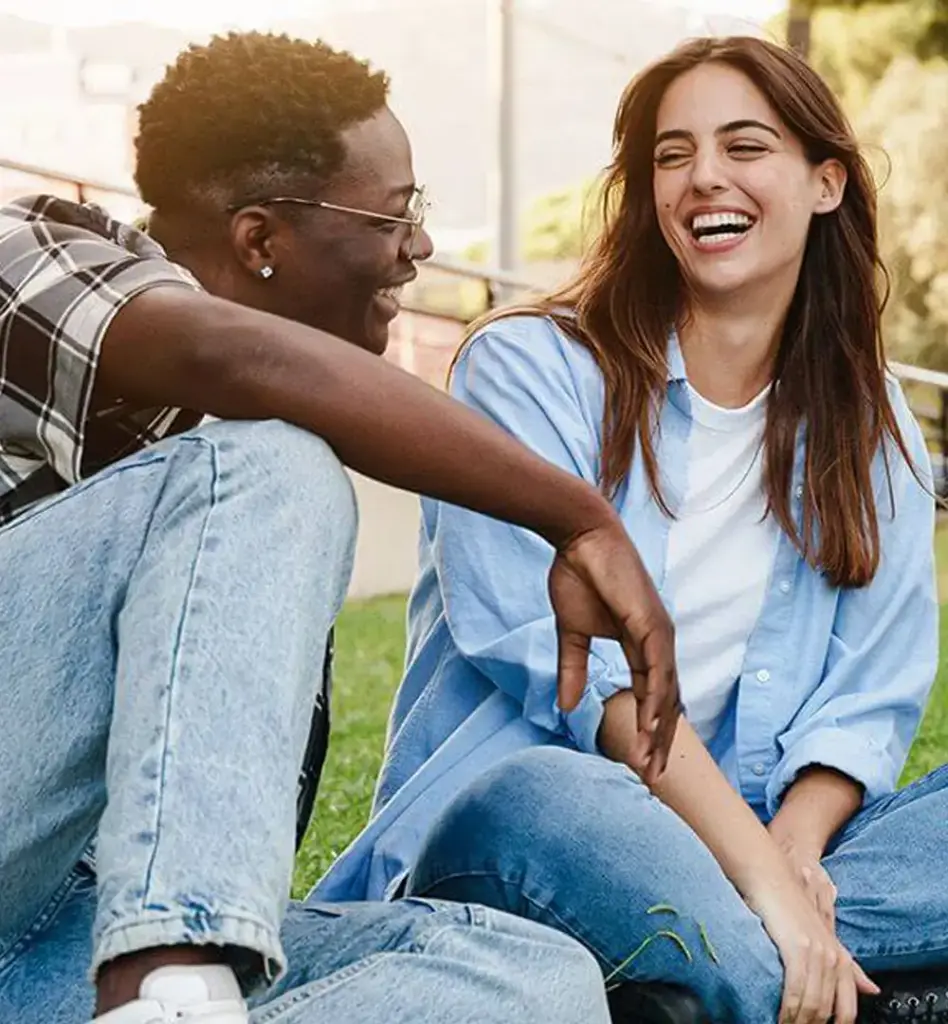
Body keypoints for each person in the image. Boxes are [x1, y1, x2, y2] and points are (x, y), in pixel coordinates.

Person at [0, 32, 684, 1024]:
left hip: (62, 934)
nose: (421, 249)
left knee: (531, 980)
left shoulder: (236, 535)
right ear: (259, 241)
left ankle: (169, 997)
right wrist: (578, 517)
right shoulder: (32, 253)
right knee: (277, 458)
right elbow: (230, 355)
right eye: (396, 215)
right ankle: (170, 982)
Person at [311, 34, 948, 1024]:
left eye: (745, 147)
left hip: (753, 851)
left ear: (826, 182)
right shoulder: (525, 372)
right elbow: (582, 688)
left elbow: (869, 698)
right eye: (671, 154)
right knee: (556, 796)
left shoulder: (877, 432)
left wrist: (793, 855)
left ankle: (703, 976)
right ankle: (828, 972)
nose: (703, 179)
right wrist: (769, 885)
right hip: (538, 838)